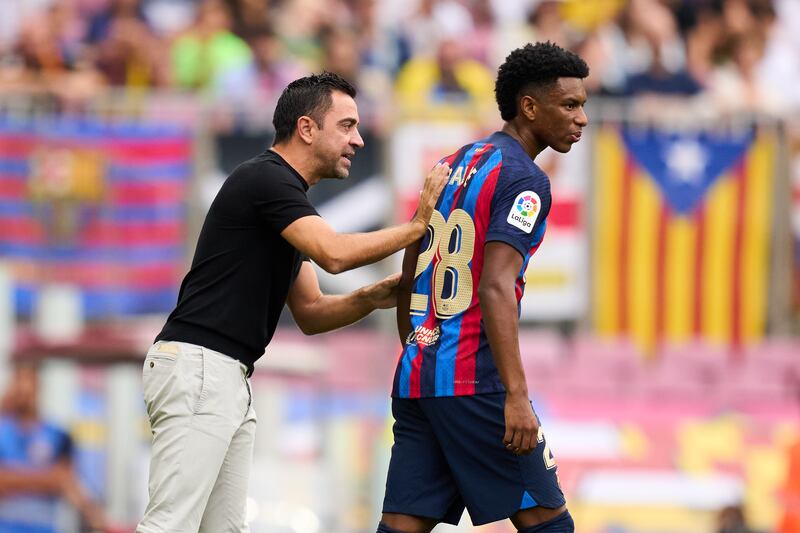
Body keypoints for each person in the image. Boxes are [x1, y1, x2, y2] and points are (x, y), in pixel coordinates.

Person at [136, 72, 448, 533]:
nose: (358, 140)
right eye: (346, 126)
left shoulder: (282, 199)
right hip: (202, 370)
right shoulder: (267, 178)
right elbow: (335, 254)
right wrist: (417, 227)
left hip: (224, 375)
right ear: (306, 128)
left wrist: (374, 295)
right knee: (170, 525)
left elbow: (312, 313)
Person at [378, 42, 589, 533]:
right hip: (475, 383)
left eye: (583, 106)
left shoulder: (451, 163)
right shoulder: (526, 180)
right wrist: (516, 395)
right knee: (550, 523)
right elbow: (495, 286)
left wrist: (416, 345)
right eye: (570, 106)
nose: (581, 119)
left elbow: (412, 260)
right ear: (529, 107)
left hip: (417, 379)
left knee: (402, 526)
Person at [0, 361, 107, 532]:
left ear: (38, 386)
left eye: (28, 381)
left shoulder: (58, 435)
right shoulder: (3, 430)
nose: (23, 390)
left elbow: (67, 481)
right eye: (18, 381)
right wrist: (48, 479)